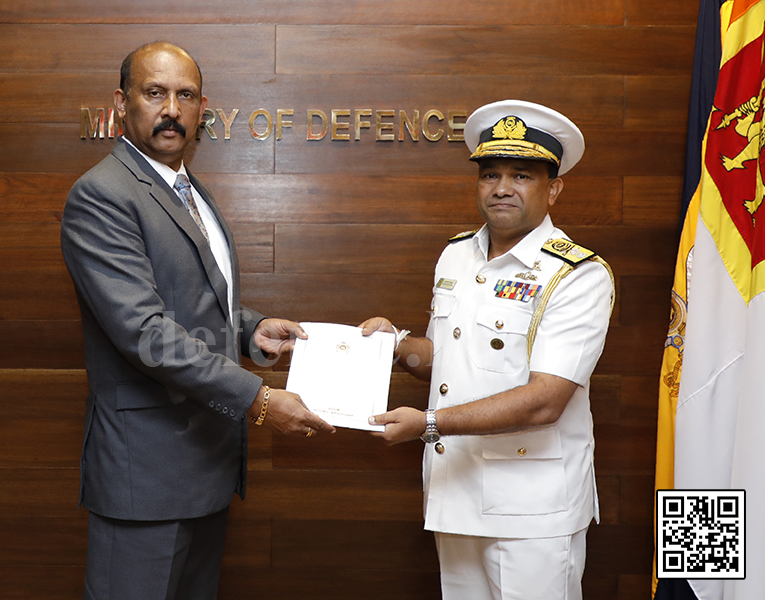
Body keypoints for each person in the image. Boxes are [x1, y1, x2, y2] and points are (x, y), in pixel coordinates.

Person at [60, 41, 334, 600]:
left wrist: (249, 329)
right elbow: (145, 333)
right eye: (154, 93)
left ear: (201, 107)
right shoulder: (102, 196)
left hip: (205, 467)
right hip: (147, 477)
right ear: (122, 102)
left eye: (185, 96)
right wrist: (258, 400)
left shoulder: (190, 190)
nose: (171, 109)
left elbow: (193, 299)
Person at [360, 100, 615, 600]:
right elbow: (444, 359)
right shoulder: (457, 254)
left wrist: (429, 424)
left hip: (531, 509)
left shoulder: (576, 275)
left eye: (521, 175)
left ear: (554, 188)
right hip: (454, 493)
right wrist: (393, 347)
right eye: (490, 174)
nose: (501, 187)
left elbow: (545, 400)